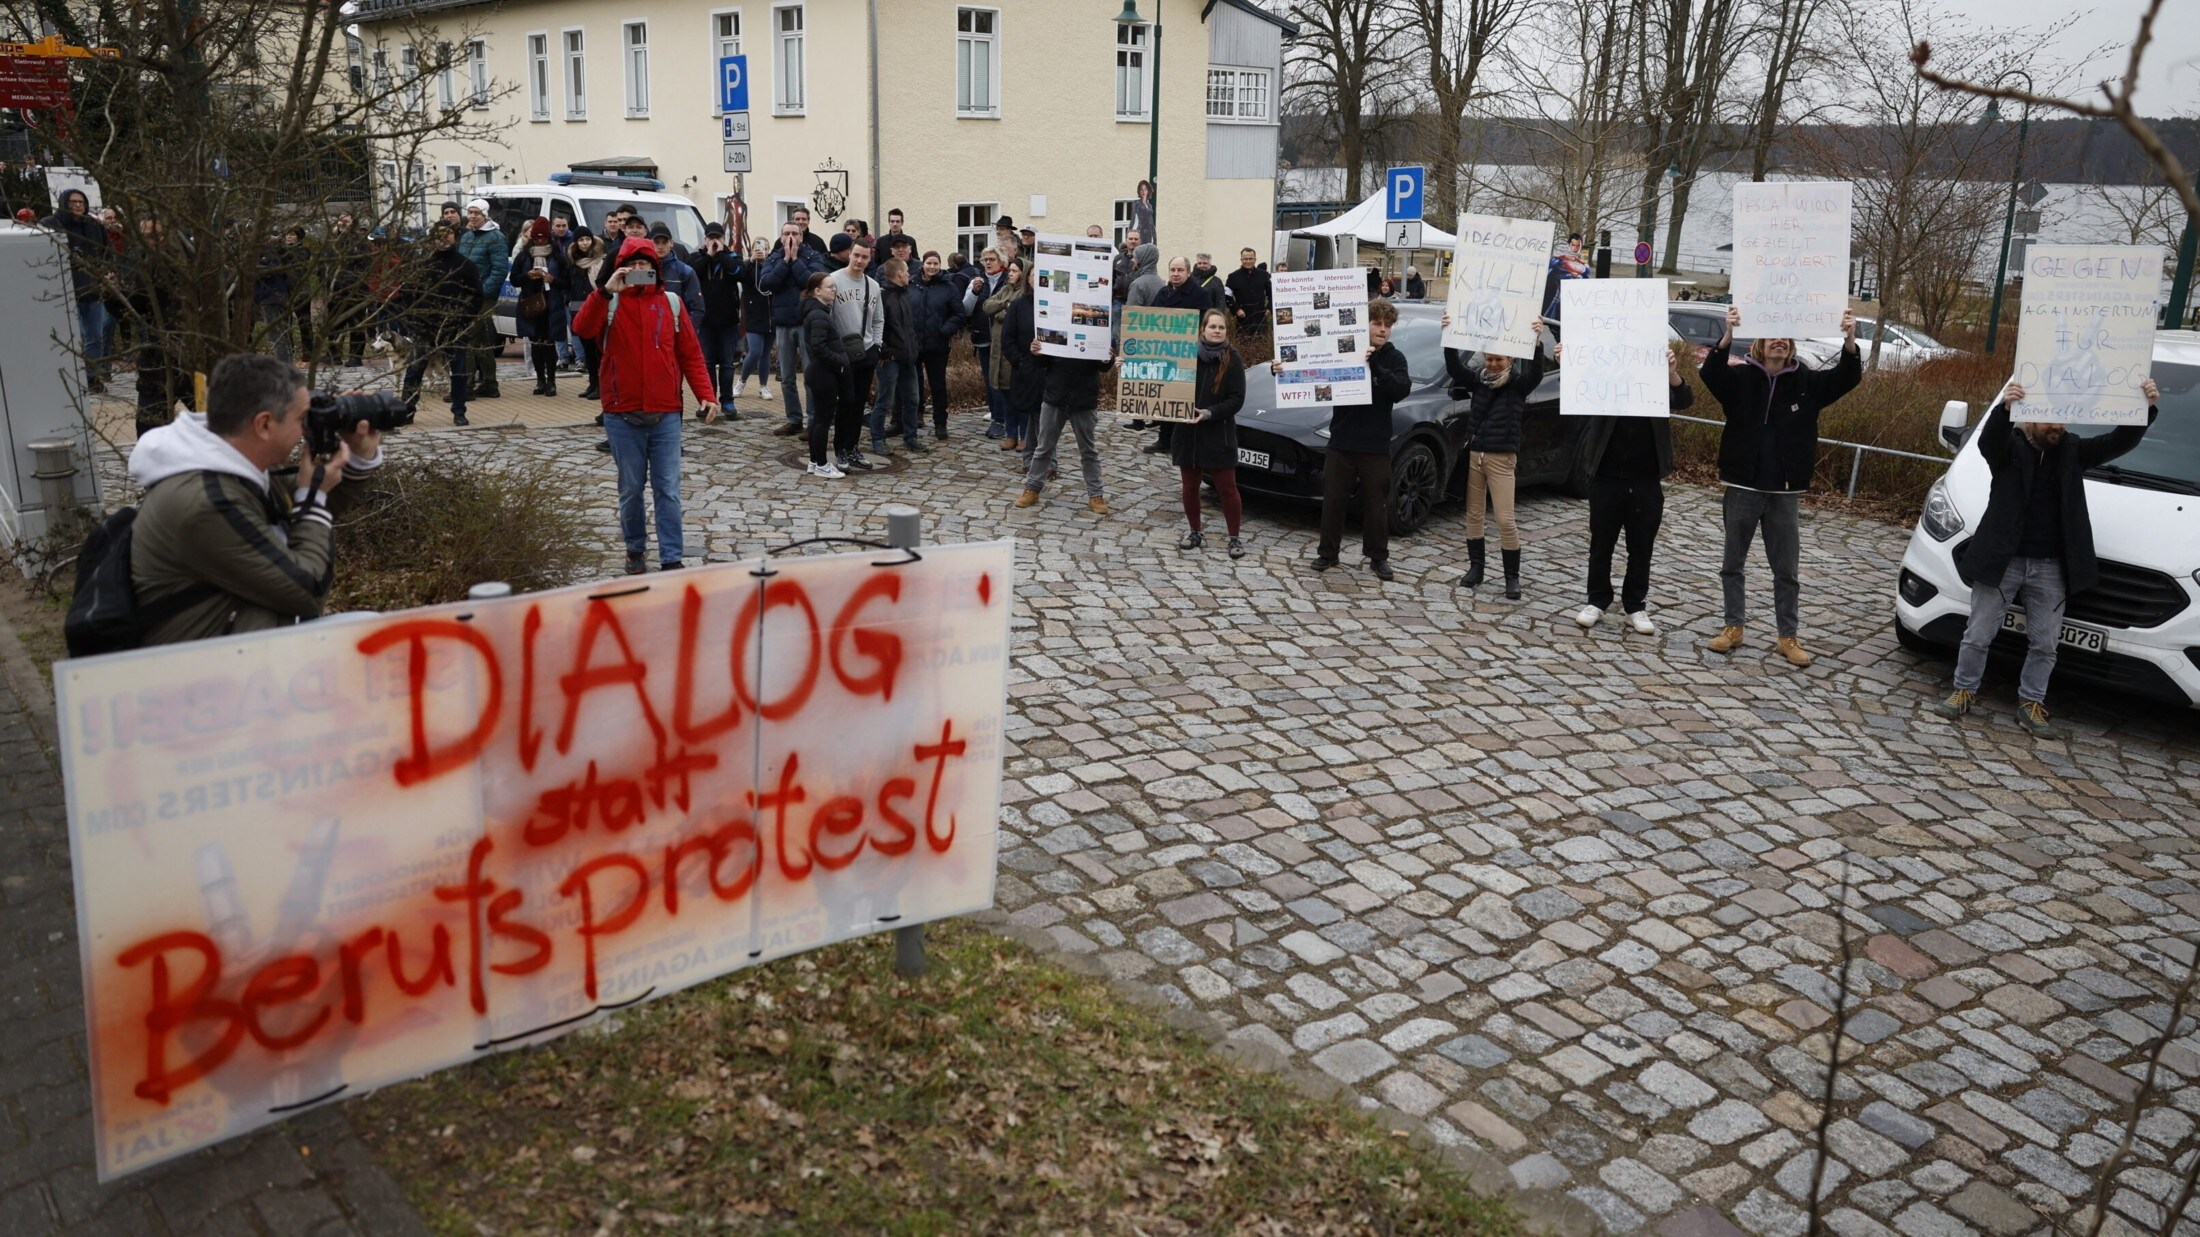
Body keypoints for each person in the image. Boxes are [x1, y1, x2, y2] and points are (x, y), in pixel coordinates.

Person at [1934, 378, 2161, 735]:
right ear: (2029, 419)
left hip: (2050, 566)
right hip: (2002, 561)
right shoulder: (2007, 450)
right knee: (1978, 634)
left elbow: (2120, 441)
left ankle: (2031, 703)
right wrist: (2005, 407)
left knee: (2045, 643)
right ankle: (1964, 691)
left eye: (2062, 420)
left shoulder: (2074, 451)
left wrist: (2144, 410)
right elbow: (1987, 441)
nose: (2057, 426)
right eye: (2048, 420)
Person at [126, 353, 384, 645]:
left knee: (371, 628)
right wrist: (313, 498)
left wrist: (357, 457)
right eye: (301, 419)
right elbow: (307, 590)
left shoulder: (227, 469)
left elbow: (296, 501)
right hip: (207, 674)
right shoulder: (205, 503)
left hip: (241, 648)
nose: (305, 430)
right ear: (263, 425)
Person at [1700, 303, 1862, 666]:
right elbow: (1711, 374)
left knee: (1786, 570)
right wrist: (1727, 334)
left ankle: (1787, 637)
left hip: (1785, 492)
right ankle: (1733, 628)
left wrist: (1849, 339)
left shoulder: (1806, 382)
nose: (1779, 342)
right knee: (1732, 563)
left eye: (1785, 338)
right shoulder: (1740, 379)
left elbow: (1846, 378)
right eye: (1772, 336)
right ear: (1758, 343)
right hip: (1743, 486)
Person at [571, 237, 721, 574]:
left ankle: (671, 557)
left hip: (666, 411)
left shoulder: (671, 304)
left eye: (646, 266)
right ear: (621, 268)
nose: (640, 271)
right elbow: (581, 328)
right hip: (622, 413)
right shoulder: (608, 303)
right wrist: (606, 291)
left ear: (655, 269)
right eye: (633, 265)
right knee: (631, 489)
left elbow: (691, 355)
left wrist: (706, 395)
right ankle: (635, 549)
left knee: (667, 488)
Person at [1566, 342, 1695, 633]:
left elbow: (1685, 399)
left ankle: (1635, 605)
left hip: (1646, 476)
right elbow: (1578, 388)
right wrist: (1569, 361)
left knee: (1641, 546)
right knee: (1601, 543)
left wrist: (1672, 374)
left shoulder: (1655, 371)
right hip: (1606, 474)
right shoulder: (1603, 371)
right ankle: (1597, 600)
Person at [1443, 315, 1551, 598]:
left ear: (1511, 361)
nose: (1492, 364)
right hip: (1476, 456)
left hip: (1502, 459)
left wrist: (1537, 342)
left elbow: (1537, 374)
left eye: (1498, 360)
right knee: (1474, 515)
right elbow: (1454, 367)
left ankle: (1511, 577)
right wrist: (1449, 335)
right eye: (1489, 359)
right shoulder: (1478, 381)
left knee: (1505, 519)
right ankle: (1476, 568)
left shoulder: (1518, 385)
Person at [1305, 298, 1410, 580]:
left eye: (1388, 325)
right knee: (1334, 501)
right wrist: (1281, 370)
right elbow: (1312, 371)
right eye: (1377, 323)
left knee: (1377, 504)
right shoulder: (1344, 349)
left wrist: (1376, 365)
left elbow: (1401, 389)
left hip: (1375, 444)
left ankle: (1378, 557)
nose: (1383, 329)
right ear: (1365, 325)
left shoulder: (1394, 358)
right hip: (1342, 440)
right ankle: (1328, 553)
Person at [1014, 321, 1114, 515]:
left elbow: (1105, 366)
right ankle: (1032, 489)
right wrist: (1037, 351)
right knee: (1044, 447)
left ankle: (1096, 494)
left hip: (1083, 397)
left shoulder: (1096, 327)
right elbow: (1041, 363)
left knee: (1088, 450)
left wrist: (1105, 356)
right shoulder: (1054, 323)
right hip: (1056, 394)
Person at [1173, 308, 1249, 558]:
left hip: (1219, 433)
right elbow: (1157, 373)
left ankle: (1234, 538)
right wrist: (1126, 365)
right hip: (1188, 433)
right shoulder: (1185, 354)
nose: (1217, 331)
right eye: (1212, 326)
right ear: (1202, 329)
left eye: (1221, 327)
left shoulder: (1232, 358)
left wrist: (1209, 413)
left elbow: (1237, 399)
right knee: (1189, 486)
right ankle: (1195, 532)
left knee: (1227, 488)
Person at [399, 222, 480, 425]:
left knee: (459, 370)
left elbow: (477, 297)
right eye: (439, 235)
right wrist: (414, 322)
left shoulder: (465, 265)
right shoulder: (421, 265)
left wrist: (464, 321)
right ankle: (407, 410)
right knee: (414, 370)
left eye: (448, 234)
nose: (443, 238)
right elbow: (407, 295)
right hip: (425, 328)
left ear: (455, 237)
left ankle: (459, 411)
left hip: (455, 328)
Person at [761, 221, 827, 436]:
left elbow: (812, 283)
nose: (790, 237)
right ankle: (794, 419)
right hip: (783, 324)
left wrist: (795, 260)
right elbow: (768, 283)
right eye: (786, 233)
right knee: (787, 376)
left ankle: (814, 421)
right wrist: (785, 261)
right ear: (780, 237)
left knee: (810, 376)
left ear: (801, 236)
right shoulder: (774, 257)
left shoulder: (812, 256)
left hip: (806, 322)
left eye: (794, 233)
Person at [825, 236, 882, 472]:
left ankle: (853, 447)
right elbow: (825, 317)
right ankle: (840, 450)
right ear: (850, 254)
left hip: (866, 351)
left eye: (864, 257)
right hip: (842, 353)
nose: (859, 260)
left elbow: (879, 319)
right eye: (856, 255)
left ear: (870, 259)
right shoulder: (834, 281)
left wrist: (877, 346)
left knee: (859, 404)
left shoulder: (874, 286)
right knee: (845, 403)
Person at [511, 217, 572, 397]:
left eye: (543, 238)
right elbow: (514, 279)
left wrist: (553, 280)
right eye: (537, 238)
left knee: (549, 344)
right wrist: (527, 276)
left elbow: (568, 282)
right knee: (535, 344)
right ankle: (540, 380)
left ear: (548, 238)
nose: (540, 241)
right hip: (531, 304)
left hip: (552, 305)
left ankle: (551, 381)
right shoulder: (524, 255)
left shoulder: (558, 256)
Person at [455, 199, 509, 398]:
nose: (472, 216)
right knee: (481, 340)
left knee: (469, 337)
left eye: (476, 213)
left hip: (484, 296)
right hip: (466, 294)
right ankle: (489, 383)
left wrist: (483, 292)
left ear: (485, 215)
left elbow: (499, 269)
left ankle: (466, 385)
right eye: (470, 212)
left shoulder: (496, 238)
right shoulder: (468, 237)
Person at [800, 272, 852, 479]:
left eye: (834, 286)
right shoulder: (818, 315)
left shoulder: (819, 312)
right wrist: (841, 360)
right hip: (822, 373)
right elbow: (819, 347)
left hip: (820, 372)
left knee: (818, 420)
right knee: (822, 420)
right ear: (817, 290)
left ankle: (814, 461)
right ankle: (821, 464)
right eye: (829, 287)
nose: (834, 290)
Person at [983, 257, 1038, 453]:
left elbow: (1007, 315)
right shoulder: (1006, 290)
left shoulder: (1026, 296)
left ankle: (1025, 435)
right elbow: (987, 306)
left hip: (1016, 356)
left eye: (1015, 271)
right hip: (1000, 351)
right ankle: (1011, 434)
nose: (1011, 274)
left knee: (1020, 397)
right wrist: (1004, 305)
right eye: (1010, 271)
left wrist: (1002, 308)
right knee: (1005, 395)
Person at [871, 257, 924, 456]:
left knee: (912, 399)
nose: (909, 275)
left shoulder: (904, 295)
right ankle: (877, 438)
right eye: (907, 272)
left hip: (908, 358)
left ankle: (910, 437)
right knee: (884, 401)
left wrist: (914, 349)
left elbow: (909, 328)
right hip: (890, 359)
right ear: (899, 274)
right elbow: (875, 325)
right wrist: (885, 352)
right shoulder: (883, 296)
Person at [692, 221, 746, 418]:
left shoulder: (732, 257)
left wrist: (722, 254)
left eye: (718, 238)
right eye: (710, 238)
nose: (714, 241)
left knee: (726, 363)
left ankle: (727, 401)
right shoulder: (697, 256)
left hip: (728, 320)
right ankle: (708, 400)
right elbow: (693, 273)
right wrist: (709, 255)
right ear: (705, 239)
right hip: (705, 321)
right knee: (706, 363)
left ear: (724, 239)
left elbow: (739, 273)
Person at [912, 251, 966, 441]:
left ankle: (940, 423)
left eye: (936, 263)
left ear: (940, 265)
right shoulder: (912, 284)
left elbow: (958, 314)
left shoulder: (948, 286)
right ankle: (914, 417)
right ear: (923, 264)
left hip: (937, 344)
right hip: (914, 343)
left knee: (938, 385)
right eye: (929, 263)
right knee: (913, 383)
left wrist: (944, 330)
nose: (932, 267)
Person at [963, 249, 1009, 437]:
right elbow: (965, 309)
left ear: (1001, 261)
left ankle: (1003, 419)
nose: (988, 263)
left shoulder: (1008, 279)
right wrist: (974, 292)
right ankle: (997, 418)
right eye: (985, 260)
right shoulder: (977, 281)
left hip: (1004, 339)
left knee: (1002, 381)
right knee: (990, 381)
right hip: (982, 337)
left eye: (992, 259)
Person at [564, 233, 607, 399]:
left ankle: (601, 386)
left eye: (587, 239)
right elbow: (567, 284)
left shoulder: (599, 261)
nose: (584, 242)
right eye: (581, 239)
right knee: (586, 350)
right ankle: (592, 383)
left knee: (597, 350)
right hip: (577, 309)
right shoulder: (572, 262)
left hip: (594, 308)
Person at [735, 237, 776, 401]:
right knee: (755, 351)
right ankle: (741, 381)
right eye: (758, 247)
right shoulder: (747, 266)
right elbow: (742, 277)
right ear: (752, 249)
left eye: (765, 247)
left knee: (765, 353)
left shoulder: (772, 266)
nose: (761, 250)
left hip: (771, 316)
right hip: (753, 316)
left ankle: (763, 386)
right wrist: (751, 261)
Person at [1543, 233, 1590, 321]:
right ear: (1568, 245)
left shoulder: (1585, 266)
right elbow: (1545, 277)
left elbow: (1587, 286)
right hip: (1557, 297)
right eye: (1573, 245)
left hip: (1574, 301)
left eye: (1578, 245)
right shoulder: (1557, 260)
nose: (1575, 248)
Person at [1225, 247, 1270, 336]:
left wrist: (1269, 308)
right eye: (1245, 259)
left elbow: (1271, 294)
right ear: (1241, 260)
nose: (1248, 261)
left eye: (1250, 259)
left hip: (1261, 318)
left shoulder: (1264, 275)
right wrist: (1236, 310)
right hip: (1242, 319)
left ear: (1255, 259)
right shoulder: (1233, 277)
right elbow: (1227, 297)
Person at [1112, 229, 1142, 346]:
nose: (1133, 241)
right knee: (1116, 333)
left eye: (1136, 239)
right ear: (1126, 240)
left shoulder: (1142, 260)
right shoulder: (1118, 259)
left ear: (1140, 241)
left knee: (1132, 333)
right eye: (1130, 239)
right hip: (1118, 302)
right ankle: (1116, 358)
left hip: (1134, 302)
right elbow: (1112, 278)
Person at [1130, 179, 1157, 247]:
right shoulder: (1136, 203)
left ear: (1148, 191)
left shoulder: (1149, 205)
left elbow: (1151, 222)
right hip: (1141, 231)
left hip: (1149, 232)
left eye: (1145, 189)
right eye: (1141, 189)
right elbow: (1132, 219)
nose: (1143, 192)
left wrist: (1155, 237)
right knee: (1141, 250)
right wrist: (1129, 234)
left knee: (1147, 251)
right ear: (1139, 191)